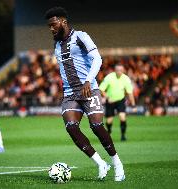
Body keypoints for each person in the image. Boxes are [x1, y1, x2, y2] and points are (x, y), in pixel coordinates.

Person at [45, 7, 125, 181]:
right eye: (49, 26)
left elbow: (97, 58)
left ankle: (117, 163)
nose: (51, 28)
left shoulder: (81, 36)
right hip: (69, 93)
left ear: (63, 22)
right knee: (71, 127)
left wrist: (88, 80)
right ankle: (100, 163)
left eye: (53, 24)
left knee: (96, 126)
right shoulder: (57, 44)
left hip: (89, 89)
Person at [99, 64, 136, 141]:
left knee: (122, 117)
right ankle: (109, 131)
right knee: (109, 121)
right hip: (110, 101)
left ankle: (123, 135)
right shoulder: (109, 77)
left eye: (121, 70)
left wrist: (133, 105)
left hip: (120, 100)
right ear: (115, 70)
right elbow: (101, 89)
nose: (119, 72)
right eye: (117, 70)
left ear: (123, 71)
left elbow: (130, 93)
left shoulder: (126, 79)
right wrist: (107, 97)